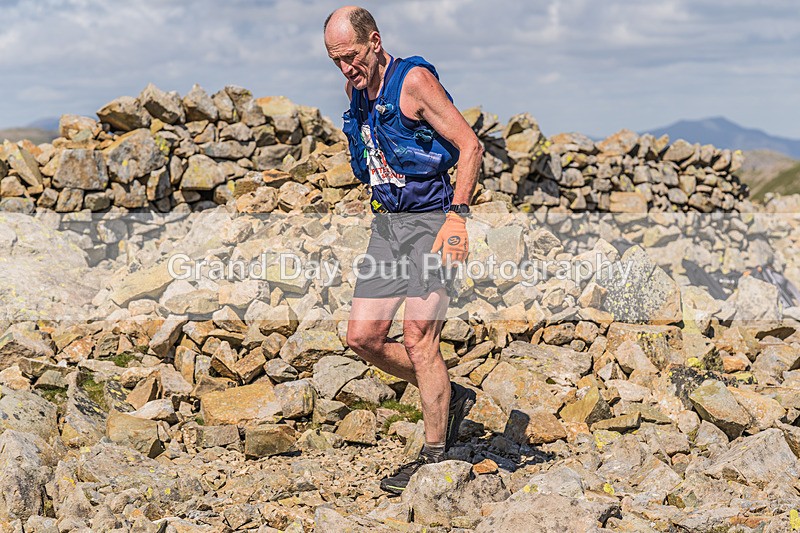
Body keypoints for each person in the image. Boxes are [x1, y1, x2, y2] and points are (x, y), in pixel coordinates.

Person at [323, 6, 484, 494]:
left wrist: (458, 218)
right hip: (389, 228)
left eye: (351, 56)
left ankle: (435, 457)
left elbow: (471, 146)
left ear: (375, 41)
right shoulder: (356, 89)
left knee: (419, 338)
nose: (347, 68)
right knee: (362, 337)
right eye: (336, 61)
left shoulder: (412, 80)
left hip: (434, 223)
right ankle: (447, 395)